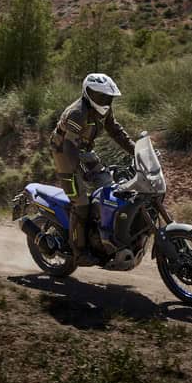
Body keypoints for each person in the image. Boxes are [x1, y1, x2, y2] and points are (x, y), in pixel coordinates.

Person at [49, 73, 136, 264]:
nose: (105, 100)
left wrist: (136, 150)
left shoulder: (104, 110)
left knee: (110, 190)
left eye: (108, 97)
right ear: (88, 93)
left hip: (84, 150)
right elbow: (69, 146)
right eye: (101, 96)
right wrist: (80, 168)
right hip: (65, 153)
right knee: (81, 202)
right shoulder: (77, 112)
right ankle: (78, 250)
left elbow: (116, 131)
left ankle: (103, 237)